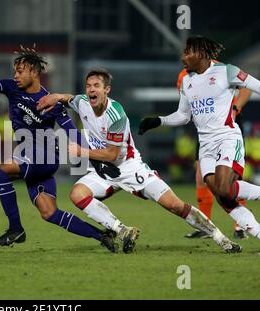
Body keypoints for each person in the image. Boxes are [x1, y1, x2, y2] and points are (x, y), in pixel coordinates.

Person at [37, 69, 241, 253]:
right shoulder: (82, 102)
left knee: (175, 205)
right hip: (104, 172)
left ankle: (221, 239)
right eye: (88, 86)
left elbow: (112, 155)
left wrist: (81, 151)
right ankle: (122, 230)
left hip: (129, 168)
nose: (91, 90)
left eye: (96, 86)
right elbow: (68, 98)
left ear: (107, 89)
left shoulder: (116, 115)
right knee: (78, 194)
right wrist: (53, 97)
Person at [0, 45, 121, 252]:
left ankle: (16, 229)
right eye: (15, 71)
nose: (16, 76)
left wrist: (96, 159)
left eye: (20, 71)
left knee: (0, 172)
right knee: (49, 213)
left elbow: (72, 132)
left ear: (33, 71)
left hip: (44, 156)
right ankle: (102, 235)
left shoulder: (52, 102)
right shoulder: (12, 88)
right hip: (30, 158)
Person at [139, 35, 260, 241]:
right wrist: (158, 121)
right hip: (205, 146)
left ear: (201, 54)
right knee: (224, 196)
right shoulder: (186, 81)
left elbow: (255, 85)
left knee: (224, 188)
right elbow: (184, 115)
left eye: (188, 52)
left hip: (227, 138)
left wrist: (237, 106)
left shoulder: (226, 71)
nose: (182, 57)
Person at [177, 62, 252, 239]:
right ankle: (206, 227)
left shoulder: (223, 70)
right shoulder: (184, 76)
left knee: (231, 178)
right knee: (202, 177)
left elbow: (247, 88)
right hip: (206, 130)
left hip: (228, 126)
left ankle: (241, 226)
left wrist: (235, 107)